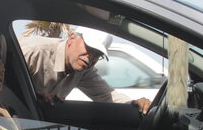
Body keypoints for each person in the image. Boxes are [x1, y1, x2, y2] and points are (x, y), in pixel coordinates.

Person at [18, 27, 152, 114]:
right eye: (88, 48)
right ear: (71, 39)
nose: (91, 58)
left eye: (97, 55)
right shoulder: (33, 52)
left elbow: (105, 95)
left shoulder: (83, 70)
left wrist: (135, 104)